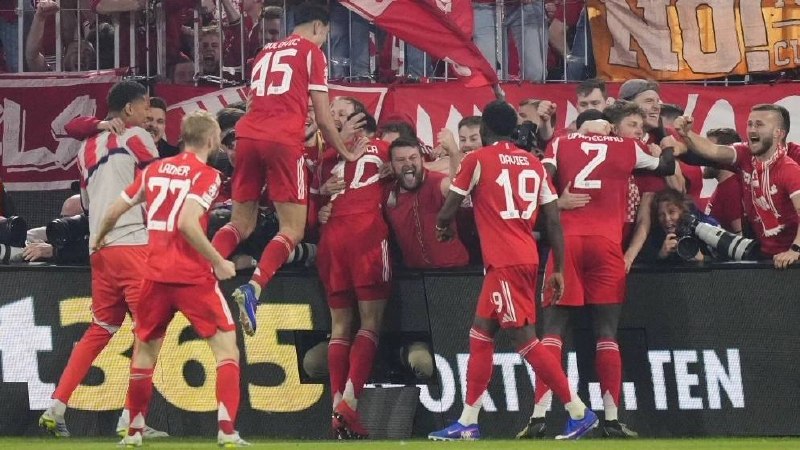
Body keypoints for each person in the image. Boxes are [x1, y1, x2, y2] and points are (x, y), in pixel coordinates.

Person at [428, 100, 597, 441]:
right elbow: (553, 220)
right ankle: (468, 421)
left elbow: (449, 207)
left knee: (525, 340)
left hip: (505, 261)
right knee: (480, 334)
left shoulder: (478, 159)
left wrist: (443, 227)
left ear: (484, 130)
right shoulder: (534, 163)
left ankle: (579, 411)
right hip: (524, 256)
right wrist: (559, 268)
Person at [90, 111, 247, 448]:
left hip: (154, 277)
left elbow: (114, 210)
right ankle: (226, 431)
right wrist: (218, 260)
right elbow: (188, 223)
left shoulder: (154, 170)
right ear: (211, 140)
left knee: (144, 355)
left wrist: (99, 239)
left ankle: (133, 433)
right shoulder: (208, 175)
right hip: (192, 278)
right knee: (226, 351)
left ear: (182, 138)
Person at [523, 107, 675, 439]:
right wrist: (663, 137)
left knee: (552, 332)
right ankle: (611, 419)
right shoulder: (627, 147)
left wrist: (557, 202)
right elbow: (667, 166)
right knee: (607, 333)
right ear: (608, 126)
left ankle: (538, 416)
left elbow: (539, 180)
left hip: (567, 242)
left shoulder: (562, 142)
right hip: (607, 245)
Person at [210, 3, 361, 336]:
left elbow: (253, 103)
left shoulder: (265, 52)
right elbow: (324, 118)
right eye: (326, 35)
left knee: (240, 223)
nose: (324, 41)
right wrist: (347, 152)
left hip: (247, 135)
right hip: (282, 141)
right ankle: (254, 288)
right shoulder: (312, 53)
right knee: (292, 229)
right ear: (319, 27)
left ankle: (200, 275)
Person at [38, 81, 166, 438]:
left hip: (101, 251)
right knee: (149, 332)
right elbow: (160, 185)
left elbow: (86, 202)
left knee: (100, 329)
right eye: (145, 107)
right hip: (133, 244)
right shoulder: (138, 136)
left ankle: (55, 407)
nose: (148, 116)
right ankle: (131, 420)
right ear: (129, 109)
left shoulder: (85, 150)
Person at [313, 109, 391, 439]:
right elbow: (423, 161)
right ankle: (349, 403)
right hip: (367, 234)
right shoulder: (384, 149)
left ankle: (335, 406)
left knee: (340, 326)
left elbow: (314, 188)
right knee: (370, 322)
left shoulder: (328, 156)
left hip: (331, 237)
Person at [673, 105, 800, 269]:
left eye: (759, 124)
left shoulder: (790, 168)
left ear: (778, 133)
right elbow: (713, 150)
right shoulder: (745, 154)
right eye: (750, 124)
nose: (752, 129)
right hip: (766, 253)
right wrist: (687, 134)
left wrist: (795, 250)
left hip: (792, 260)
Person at [384, 136, 469, 269]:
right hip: (415, 273)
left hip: (453, 270)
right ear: (391, 165)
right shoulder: (388, 192)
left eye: (413, 158)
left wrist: (453, 152)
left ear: (422, 160)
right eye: (400, 160)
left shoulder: (437, 183)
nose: (408, 163)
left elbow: (457, 187)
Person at [637, 188, 705, 264]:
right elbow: (641, 262)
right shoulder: (654, 238)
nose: (667, 218)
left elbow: (714, 257)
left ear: (682, 212)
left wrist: (702, 259)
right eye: (661, 215)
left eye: (672, 212)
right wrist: (659, 255)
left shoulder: (698, 232)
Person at [703, 128, 743, 234]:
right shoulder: (725, 186)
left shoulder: (732, 189)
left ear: (724, 154)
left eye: (708, 151)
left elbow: (742, 237)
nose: (702, 156)